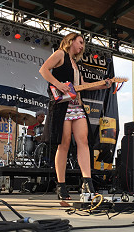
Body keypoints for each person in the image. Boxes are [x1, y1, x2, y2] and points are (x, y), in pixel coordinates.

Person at [39, 32, 112, 200]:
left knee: (83, 141)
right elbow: (43, 69)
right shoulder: (60, 54)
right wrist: (58, 84)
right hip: (62, 105)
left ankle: (87, 182)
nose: (81, 46)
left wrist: (103, 85)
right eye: (80, 42)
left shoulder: (75, 64)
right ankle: (61, 185)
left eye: (83, 44)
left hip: (77, 106)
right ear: (70, 41)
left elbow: (83, 86)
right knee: (63, 144)